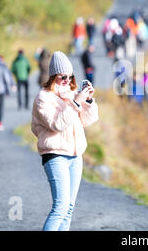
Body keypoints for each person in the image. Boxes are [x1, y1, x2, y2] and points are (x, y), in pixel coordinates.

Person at [31, 51, 99, 231]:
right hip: (55, 156)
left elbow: (87, 120)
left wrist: (88, 100)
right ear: (53, 76)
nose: (67, 80)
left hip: (76, 156)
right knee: (60, 208)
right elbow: (57, 124)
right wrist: (75, 103)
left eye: (70, 77)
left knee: (69, 209)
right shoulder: (43, 98)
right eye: (63, 77)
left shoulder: (71, 94)